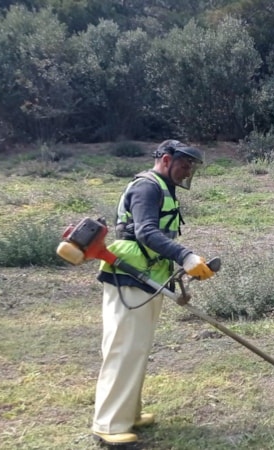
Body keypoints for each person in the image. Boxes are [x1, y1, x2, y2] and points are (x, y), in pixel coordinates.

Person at [91, 140, 216, 446]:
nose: (187, 172)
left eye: (191, 167)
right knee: (123, 348)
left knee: (137, 348)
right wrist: (185, 256)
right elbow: (146, 231)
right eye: (184, 165)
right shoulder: (147, 187)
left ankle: (129, 414)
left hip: (147, 276)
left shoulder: (162, 186)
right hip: (129, 276)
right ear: (166, 160)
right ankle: (108, 424)